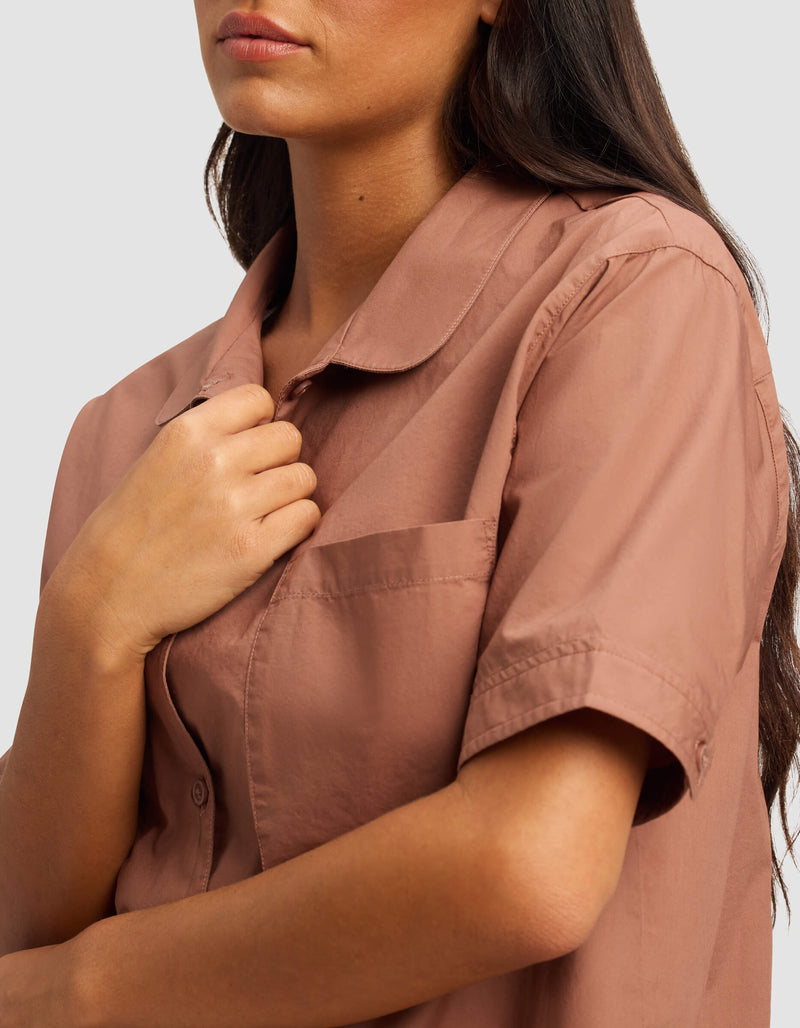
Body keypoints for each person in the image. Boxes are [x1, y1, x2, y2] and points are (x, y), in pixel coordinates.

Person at [0, 0, 798, 1024]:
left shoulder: (630, 293)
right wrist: (91, 625)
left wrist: (82, 993)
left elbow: (530, 863)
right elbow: (24, 925)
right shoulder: (127, 432)